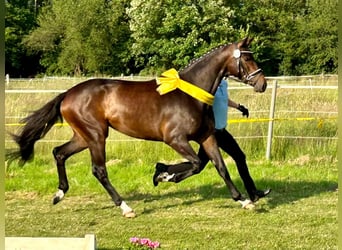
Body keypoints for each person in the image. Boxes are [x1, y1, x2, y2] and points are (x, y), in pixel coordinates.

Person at [152, 77, 270, 202]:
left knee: (237, 158)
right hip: (210, 134)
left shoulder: (223, 83)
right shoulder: (208, 84)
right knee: (204, 164)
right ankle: (165, 169)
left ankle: (253, 193)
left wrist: (238, 106)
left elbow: (224, 100)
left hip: (222, 131)